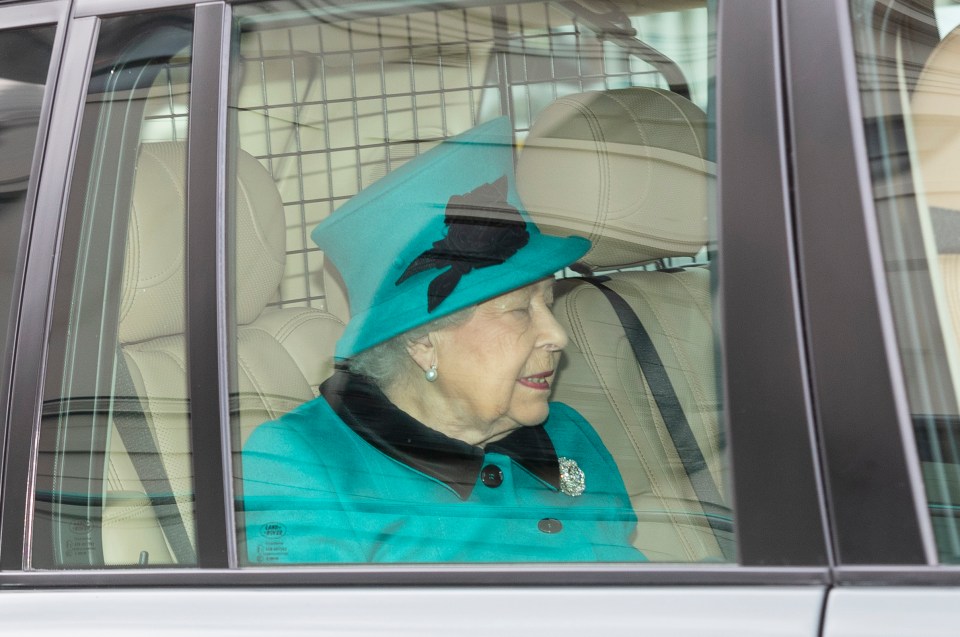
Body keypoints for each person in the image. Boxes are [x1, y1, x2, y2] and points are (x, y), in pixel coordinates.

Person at [242, 117, 645, 563]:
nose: (556, 335)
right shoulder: (302, 464)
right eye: (517, 310)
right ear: (422, 342)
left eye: (547, 303)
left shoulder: (566, 433)